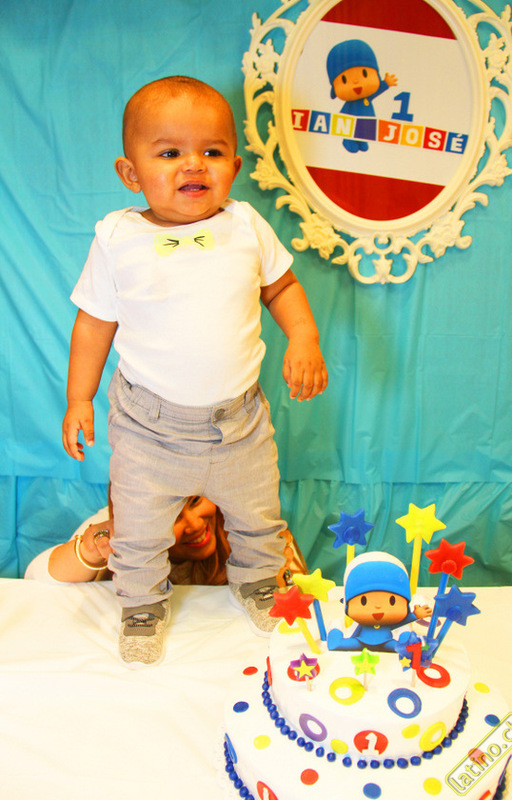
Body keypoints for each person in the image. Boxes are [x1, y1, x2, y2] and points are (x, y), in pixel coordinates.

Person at [61, 75, 328, 668]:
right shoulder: (118, 237)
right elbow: (94, 323)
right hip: (148, 428)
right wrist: (79, 399)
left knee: (258, 516)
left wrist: (303, 337)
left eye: (211, 151)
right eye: (169, 153)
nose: (193, 164)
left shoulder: (245, 225)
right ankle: (140, 604)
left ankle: (259, 582)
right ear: (131, 173)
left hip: (239, 423)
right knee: (139, 527)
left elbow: (281, 286)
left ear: (234, 165)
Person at [25, 495, 306, 591]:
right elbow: (36, 580)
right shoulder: (119, 528)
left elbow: (303, 599)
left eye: (195, 502)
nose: (195, 524)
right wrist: (90, 550)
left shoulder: (249, 524)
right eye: (172, 518)